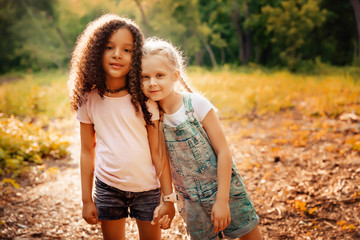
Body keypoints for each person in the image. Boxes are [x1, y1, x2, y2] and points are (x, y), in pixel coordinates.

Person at [141, 37, 263, 240]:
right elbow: (160, 159)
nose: (152, 82)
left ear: (175, 76)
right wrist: (168, 199)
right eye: (144, 77)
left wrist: (222, 201)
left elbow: (223, 151)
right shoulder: (153, 117)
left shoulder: (196, 104)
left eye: (159, 75)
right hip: (190, 202)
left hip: (226, 191)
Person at [68, 14, 175, 240]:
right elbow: (87, 151)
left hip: (147, 189)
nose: (118, 54)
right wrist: (87, 199)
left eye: (127, 50)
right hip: (108, 188)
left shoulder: (145, 99)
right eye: (109, 47)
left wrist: (168, 198)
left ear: (136, 56)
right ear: (96, 51)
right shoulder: (89, 99)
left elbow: (159, 152)